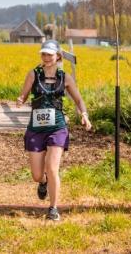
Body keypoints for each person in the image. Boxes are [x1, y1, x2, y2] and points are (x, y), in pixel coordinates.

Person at [16, 39, 91, 221]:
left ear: (57, 56)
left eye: (50, 54)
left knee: (52, 167)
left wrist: (84, 114)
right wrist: (20, 100)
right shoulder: (33, 74)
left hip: (57, 126)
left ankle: (53, 208)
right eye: (44, 54)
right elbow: (23, 95)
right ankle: (43, 183)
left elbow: (79, 100)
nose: (46, 57)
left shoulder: (65, 77)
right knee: (37, 174)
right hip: (36, 127)